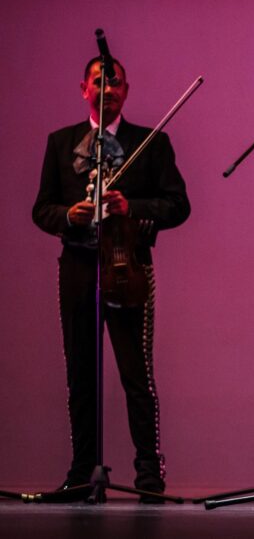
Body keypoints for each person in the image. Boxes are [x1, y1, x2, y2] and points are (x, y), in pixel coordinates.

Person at [32, 56, 190, 501]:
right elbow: (41, 209)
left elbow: (178, 205)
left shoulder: (151, 143)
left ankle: (149, 476)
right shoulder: (61, 143)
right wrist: (70, 215)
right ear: (84, 88)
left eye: (116, 82)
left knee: (136, 374)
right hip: (78, 268)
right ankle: (82, 473)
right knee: (80, 374)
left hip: (129, 266)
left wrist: (131, 207)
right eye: (100, 81)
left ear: (126, 90)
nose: (108, 89)